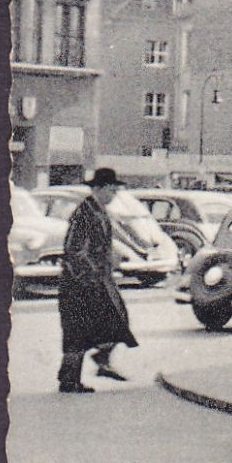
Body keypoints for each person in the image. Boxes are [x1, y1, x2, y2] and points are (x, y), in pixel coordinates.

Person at [57, 168, 138, 393]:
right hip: (79, 283)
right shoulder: (85, 212)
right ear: (99, 189)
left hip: (97, 279)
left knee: (116, 317)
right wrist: (89, 277)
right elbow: (74, 250)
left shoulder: (98, 210)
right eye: (111, 190)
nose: (114, 194)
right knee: (77, 330)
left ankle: (99, 361)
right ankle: (70, 380)